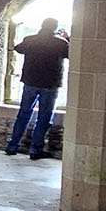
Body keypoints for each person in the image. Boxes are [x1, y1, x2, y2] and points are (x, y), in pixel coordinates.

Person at [6, 18, 71, 159]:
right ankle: (36, 149)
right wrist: (67, 38)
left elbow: (18, 48)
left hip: (30, 81)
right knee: (44, 118)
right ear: (55, 28)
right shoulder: (60, 43)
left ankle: (13, 145)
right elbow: (72, 54)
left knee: (23, 114)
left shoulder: (30, 39)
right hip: (50, 83)